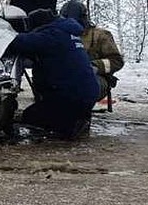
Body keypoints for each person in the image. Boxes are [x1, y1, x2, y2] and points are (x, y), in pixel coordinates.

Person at [6, 8, 101, 140]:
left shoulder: (52, 35)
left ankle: (68, 125)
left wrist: (1, 34)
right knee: (46, 111)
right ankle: (76, 118)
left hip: (70, 96)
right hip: (86, 92)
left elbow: (19, 42)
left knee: (30, 117)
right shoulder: (67, 33)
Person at [59, 0, 124, 102]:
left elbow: (116, 61)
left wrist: (95, 66)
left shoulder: (100, 35)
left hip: (95, 79)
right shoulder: (58, 35)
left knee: (84, 86)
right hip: (64, 78)